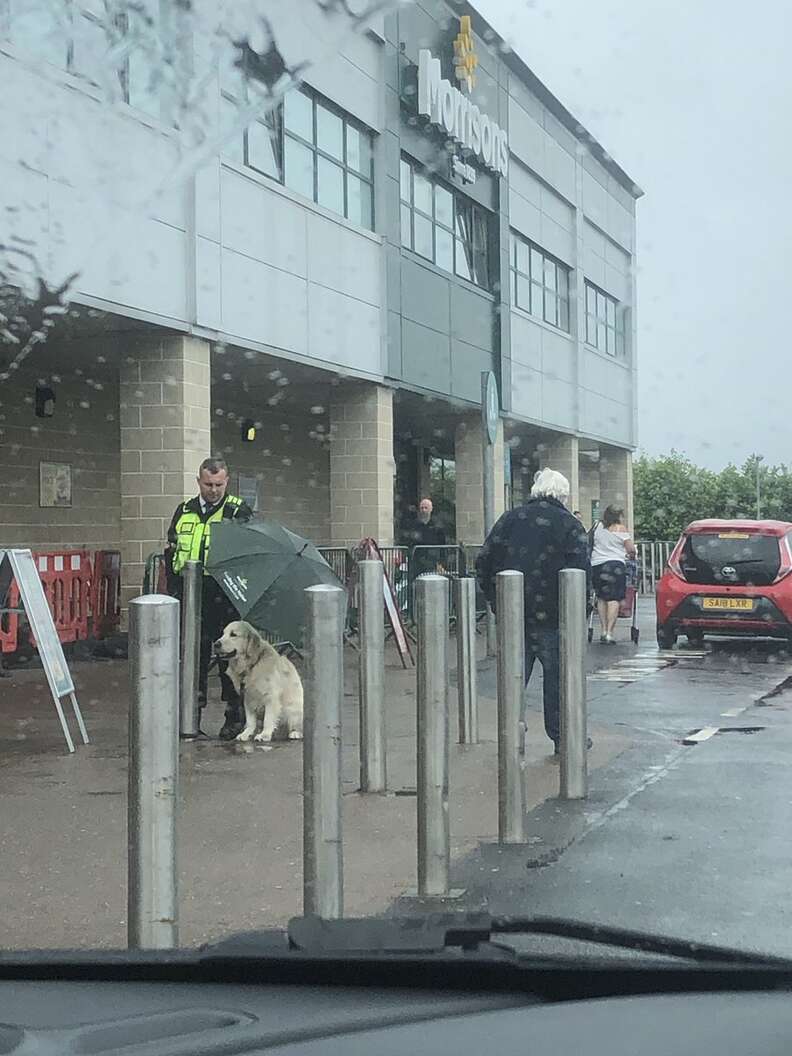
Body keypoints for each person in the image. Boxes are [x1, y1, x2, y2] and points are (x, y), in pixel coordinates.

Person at [476, 468, 590, 758]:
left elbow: (484, 560)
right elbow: (581, 573)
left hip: (514, 614)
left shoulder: (510, 519)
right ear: (562, 495)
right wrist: (580, 610)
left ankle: (511, 734)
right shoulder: (569, 524)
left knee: (513, 679)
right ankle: (563, 737)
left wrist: (495, 599)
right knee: (558, 681)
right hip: (554, 615)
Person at [165, 457, 254, 739]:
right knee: (193, 657)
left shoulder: (237, 511)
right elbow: (172, 550)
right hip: (191, 594)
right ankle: (190, 716)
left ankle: (234, 717)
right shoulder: (185, 510)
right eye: (208, 484)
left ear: (226, 482)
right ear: (199, 482)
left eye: (218, 484)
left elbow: (247, 552)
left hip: (225, 594)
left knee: (231, 658)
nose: (213, 490)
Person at [590, 505, 637, 644]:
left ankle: (603, 630)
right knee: (614, 599)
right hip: (615, 566)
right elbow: (631, 550)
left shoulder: (597, 526)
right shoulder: (620, 529)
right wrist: (632, 555)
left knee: (601, 598)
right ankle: (609, 633)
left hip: (597, 565)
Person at [404, 497, 447, 578]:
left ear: (431, 509)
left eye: (426, 508)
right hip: (417, 562)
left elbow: (443, 545)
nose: (423, 510)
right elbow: (410, 543)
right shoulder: (414, 525)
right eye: (422, 508)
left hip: (432, 560)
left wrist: (441, 563)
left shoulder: (437, 526)